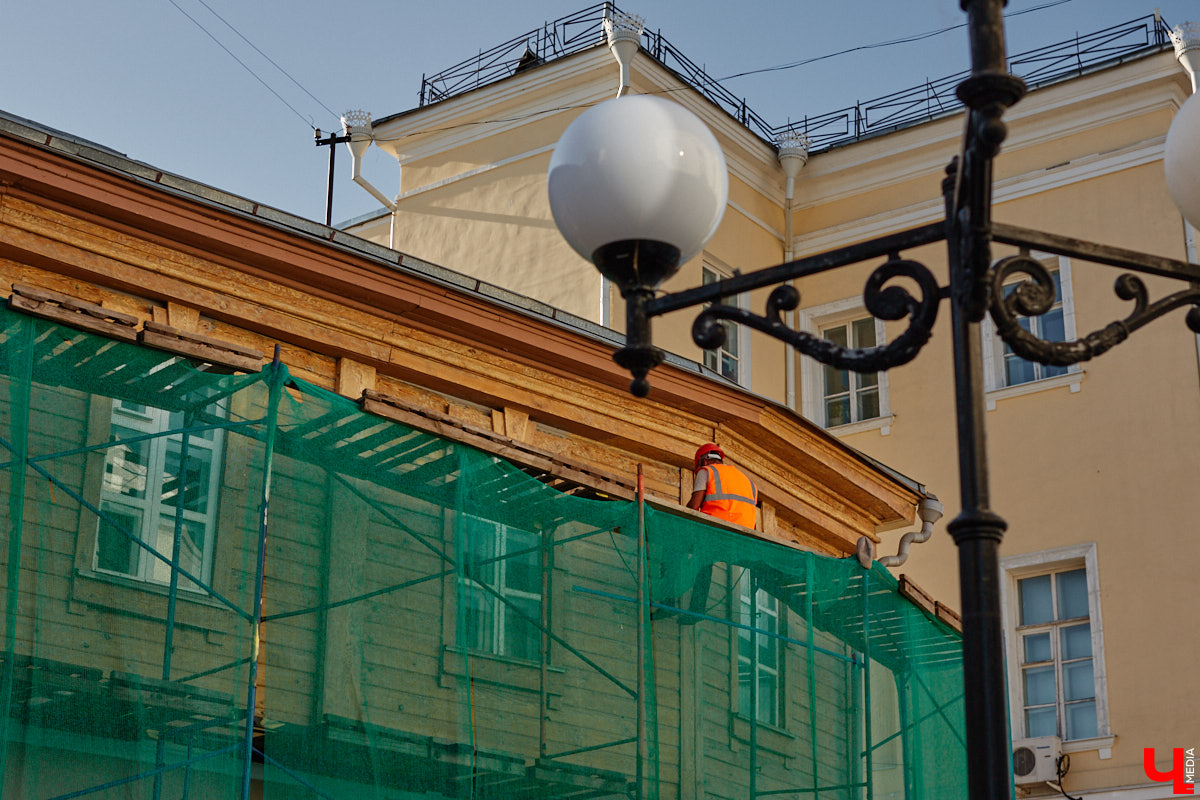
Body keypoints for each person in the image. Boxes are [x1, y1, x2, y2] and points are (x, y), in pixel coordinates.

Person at [686, 443, 758, 528]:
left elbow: (693, 507)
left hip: (716, 529)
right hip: (744, 535)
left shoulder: (707, 471)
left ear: (704, 461)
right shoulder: (749, 483)